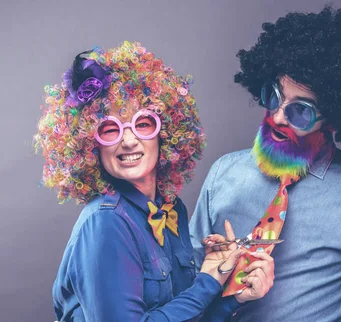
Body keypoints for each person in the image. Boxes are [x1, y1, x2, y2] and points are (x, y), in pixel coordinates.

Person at [189, 6, 341, 322]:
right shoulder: (223, 173)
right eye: (273, 96)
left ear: (335, 120)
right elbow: (185, 275)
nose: (278, 116)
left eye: (301, 111)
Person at [35, 41, 274, 322]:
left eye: (143, 124)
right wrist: (207, 283)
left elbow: (185, 316)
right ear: (90, 145)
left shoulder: (172, 210)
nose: (128, 140)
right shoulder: (105, 223)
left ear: (166, 132)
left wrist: (232, 294)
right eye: (110, 129)